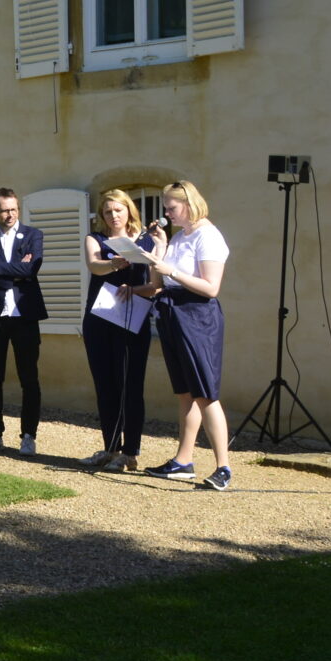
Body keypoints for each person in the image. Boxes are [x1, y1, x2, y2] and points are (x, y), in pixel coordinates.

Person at [139, 180, 235, 490]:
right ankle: (183, 460)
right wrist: (160, 248)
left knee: (206, 393)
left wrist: (172, 271)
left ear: (189, 204)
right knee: (185, 392)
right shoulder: (180, 237)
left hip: (197, 315)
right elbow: (158, 281)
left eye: (171, 207)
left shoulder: (208, 236)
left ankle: (224, 467)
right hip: (172, 312)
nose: (166, 213)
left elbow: (211, 287)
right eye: (165, 207)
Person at [81, 191, 156, 472]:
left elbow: (156, 282)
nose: (113, 216)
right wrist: (113, 263)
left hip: (132, 318)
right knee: (105, 384)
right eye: (108, 211)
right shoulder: (96, 239)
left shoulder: (147, 241)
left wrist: (151, 253)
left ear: (129, 211)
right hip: (100, 318)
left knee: (130, 385)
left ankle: (130, 451)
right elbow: (94, 264)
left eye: (118, 210)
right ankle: (111, 448)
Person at [0, 188, 46, 456]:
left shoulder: (33, 235)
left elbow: (31, 268)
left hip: (24, 316)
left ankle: (28, 436)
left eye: (14, 209)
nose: (10, 214)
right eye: (4, 210)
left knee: (29, 378)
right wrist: (14, 268)